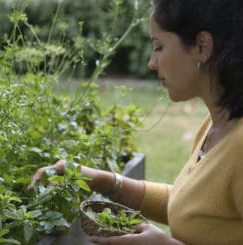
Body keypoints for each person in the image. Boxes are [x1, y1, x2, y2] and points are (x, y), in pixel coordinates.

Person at [29, 0, 243, 244]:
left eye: (159, 46)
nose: (151, 63)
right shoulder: (216, 125)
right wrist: (105, 181)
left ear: (202, 47)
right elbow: (195, 207)